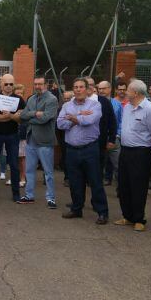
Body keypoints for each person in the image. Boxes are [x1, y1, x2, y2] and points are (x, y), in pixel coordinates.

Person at [58, 78, 108, 223]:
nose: (78, 89)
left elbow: (89, 121)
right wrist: (80, 116)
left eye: (81, 87)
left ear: (87, 90)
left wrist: (74, 118)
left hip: (90, 149)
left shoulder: (96, 105)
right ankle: (76, 209)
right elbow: (60, 124)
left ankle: (102, 212)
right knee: (75, 182)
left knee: (95, 181)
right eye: (75, 87)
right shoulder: (67, 105)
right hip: (72, 150)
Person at [115, 79, 151, 231]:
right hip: (125, 150)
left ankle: (139, 219)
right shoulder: (127, 107)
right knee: (123, 184)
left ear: (135, 92)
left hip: (141, 152)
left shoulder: (150, 109)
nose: (125, 92)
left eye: (128, 90)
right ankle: (127, 216)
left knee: (138, 186)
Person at [16, 76, 59, 208]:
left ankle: (51, 198)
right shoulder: (31, 98)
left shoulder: (52, 99)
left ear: (46, 84)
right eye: (35, 84)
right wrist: (35, 113)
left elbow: (45, 118)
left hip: (45, 141)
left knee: (48, 172)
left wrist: (30, 115)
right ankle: (29, 196)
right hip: (31, 140)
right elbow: (22, 117)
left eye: (40, 84)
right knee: (29, 170)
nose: (37, 86)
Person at [85, 77, 117, 185]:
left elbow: (112, 121)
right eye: (86, 84)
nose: (89, 87)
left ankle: (98, 199)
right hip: (80, 143)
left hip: (99, 143)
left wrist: (111, 140)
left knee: (97, 172)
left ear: (95, 86)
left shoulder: (103, 101)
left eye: (91, 84)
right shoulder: (75, 101)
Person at [98, 80, 122, 186]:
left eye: (104, 88)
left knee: (117, 164)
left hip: (113, 138)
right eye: (99, 89)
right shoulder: (95, 102)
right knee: (100, 163)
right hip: (100, 138)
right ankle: (102, 181)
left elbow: (121, 120)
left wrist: (118, 134)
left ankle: (120, 187)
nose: (101, 91)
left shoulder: (117, 104)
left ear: (110, 89)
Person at [13, 84, 27, 188]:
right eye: (17, 93)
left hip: (22, 135)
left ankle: (23, 178)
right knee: (14, 158)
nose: (19, 95)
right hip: (12, 134)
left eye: (21, 93)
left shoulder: (26, 105)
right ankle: (15, 177)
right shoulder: (11, 105)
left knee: (22, 158)